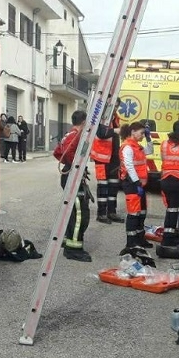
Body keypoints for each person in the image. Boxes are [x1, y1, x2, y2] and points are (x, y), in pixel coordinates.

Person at [52, 110, 92, 261]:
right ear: (84, 122)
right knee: (80, 213)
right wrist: (75, 165)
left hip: (70, 174)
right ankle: (73, 249)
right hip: (72, 176)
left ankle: (68, 240)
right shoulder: (76, 135)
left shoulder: (69, 134)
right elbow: (66, 154)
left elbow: (57, 153)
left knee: (73, 212)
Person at [119, 121, 154, 255]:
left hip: (140, 185)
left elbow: (149, 150)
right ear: (133, 132)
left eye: (144, 134)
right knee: (134, 214)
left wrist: (149, 139)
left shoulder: (137, 147)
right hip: (132, 184)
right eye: (141, 133)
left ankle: (140, 239)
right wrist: (137, 183)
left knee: (141, 213)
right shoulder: (127, 147)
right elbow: (129, 166)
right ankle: (131, 243)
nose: (143, 136)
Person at [90, 103, 124, 224]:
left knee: (113, 187)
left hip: (113, 159)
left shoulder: (115, 118)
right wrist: (115, 130)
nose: (115, 109)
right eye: (114, 106)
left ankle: (111, 212)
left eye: (117, 106)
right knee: (103, 187)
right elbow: (101, 134)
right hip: (102, 158)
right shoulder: (102, 118)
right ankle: (101, 214)